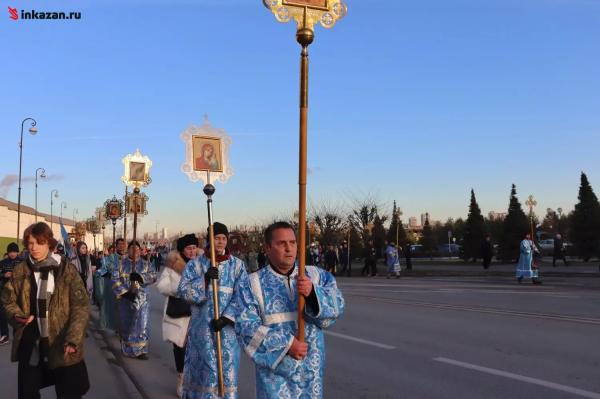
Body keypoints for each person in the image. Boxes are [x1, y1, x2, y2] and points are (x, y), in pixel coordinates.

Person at [235, 222, 344, 398]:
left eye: (293, 242)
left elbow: (337, 307)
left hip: (311, 371)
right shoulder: (251, 283)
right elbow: (245, 328)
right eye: (281, 243)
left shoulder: (316, 276)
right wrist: (287, 345)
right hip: (274, 376)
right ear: (268, 248)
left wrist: (312, 295)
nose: (289, 249)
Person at [1, 222, 90, 399]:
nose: (33, 248)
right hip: (32, 340)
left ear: (49, 244)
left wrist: (73, 338)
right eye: (30, 243)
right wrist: (17, 316)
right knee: (28, 391)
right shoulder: (21, 270)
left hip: (62, 341)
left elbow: (81, 306)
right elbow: (7, 300)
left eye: (39, 243)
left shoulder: (66, 270)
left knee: (68, 392)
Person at [177, 222, 247, 398]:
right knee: (205, 373)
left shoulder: (237, 266)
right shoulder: (195, 265)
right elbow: (183, 291)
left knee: (226, 371)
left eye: (224, 238)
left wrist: (227, 318)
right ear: (209, 240)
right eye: (217, 238)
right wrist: (205, 280)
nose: (221, 242)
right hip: (202, 330)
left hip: (228, 331)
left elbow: (244, 295)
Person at [157, 234, 196, 397]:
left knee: (196, 349)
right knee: (180, 347)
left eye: (194, 247)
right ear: (182, 249)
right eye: (189, 248)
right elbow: (162, 286)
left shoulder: (202, 264)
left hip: (198, 313)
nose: (192, 251)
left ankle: (195, 382)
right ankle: (181, 378)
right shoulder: (172, 266)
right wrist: (181, 290)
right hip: (179, 312)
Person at [112, 241, 157, 359]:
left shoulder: (146, 264)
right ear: (128, 250)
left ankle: (141, 350)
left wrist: (141, 277)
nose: (135, 251)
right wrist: (125, 293)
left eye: (137, 249)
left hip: (142, 300)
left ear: (140, 250)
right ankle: (127, 348)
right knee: (127, 324)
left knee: (142, 325)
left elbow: (153, 276)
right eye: (132, 248)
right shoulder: (121, 263)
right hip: (125, 299)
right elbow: (115, 279)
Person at [96, 239, 126, 331]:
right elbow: (101, 271)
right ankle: (116, 327)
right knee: (114, 310)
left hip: (125, 288)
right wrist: (108, 273)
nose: (121, 246)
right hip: (113, 288)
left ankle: (123, 327)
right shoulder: (109, 258)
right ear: (116, 246)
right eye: (119, 244)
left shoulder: (128, 258)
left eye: (123, 244)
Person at [0, 242, 22, 346]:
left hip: (18, 292)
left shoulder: (22, 262)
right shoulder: (3, 262)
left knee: (16, 314)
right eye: (10, 252)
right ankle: (4, 335)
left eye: (14, 251)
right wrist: (4, 274)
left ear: (17, 252)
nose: (12, 254)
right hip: (5, 291)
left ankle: (17, 335)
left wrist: (15, 275)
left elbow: (27, 275)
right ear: (8, 252)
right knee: (2, 313)